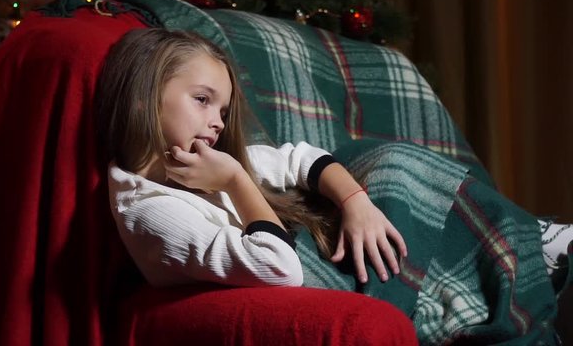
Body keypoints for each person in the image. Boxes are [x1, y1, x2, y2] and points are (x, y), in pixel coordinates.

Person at [97, 27, 572, 291]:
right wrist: (237, 181)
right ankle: (530, 245)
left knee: (373, 161)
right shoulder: (150, 211)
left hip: (335, 231)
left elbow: (302, 158)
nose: (219, 122)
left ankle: (529, 240)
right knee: (396, 170)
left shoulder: (203, 162)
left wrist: (357, 203)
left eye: (222, 109)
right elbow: (279, 268)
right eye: (202, 100)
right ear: (143, 100)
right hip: (316, 270)